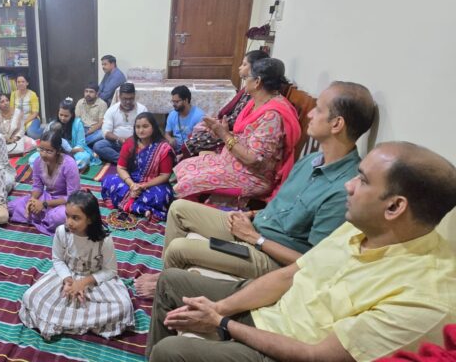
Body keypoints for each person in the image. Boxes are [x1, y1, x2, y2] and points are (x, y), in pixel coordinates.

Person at [146, 142, 456, 362]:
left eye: (362, 180)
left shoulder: (423, 297)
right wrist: (221, 308)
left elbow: (316, 356)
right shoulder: (363, 226)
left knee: (170, 352)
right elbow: (291, 275)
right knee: (172, 281)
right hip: (275, 308)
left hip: (288, 349)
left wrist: (222, 323)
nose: (348, 186)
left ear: (395, 206)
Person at [135, 81, 377, 297]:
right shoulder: (310, 161)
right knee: (178, 208)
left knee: (180, 248)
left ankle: (166, 285)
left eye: (319, 109)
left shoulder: (343, 189)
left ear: (336, 124)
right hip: (255, 227)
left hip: (269, 255)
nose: (311, 113)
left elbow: (312, 262)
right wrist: (249, 215)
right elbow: (280, 207)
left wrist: (255, 238)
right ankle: (168, 278)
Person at [173, 58, 301, 200]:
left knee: (187, 182)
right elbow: (248, 136)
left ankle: (190, 210)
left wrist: (224, 135)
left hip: (251, 176)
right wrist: (223, 132)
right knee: (183, 166)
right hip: (233, 162)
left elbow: (253, 159)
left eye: (246, 78)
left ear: (257, 81)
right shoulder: (256, 103)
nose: (244, 81)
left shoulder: (272, 116)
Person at [19, 190, 134, 340]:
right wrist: (68, 280)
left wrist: (83, 283)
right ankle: (88, 321)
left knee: (123, 306)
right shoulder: (62, 232)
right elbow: (58, 260)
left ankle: (66, 319)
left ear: (90, 219)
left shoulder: (104, 239)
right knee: (29, 297)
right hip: (67, 275)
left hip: (95, 280)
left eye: (76, 218)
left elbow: (110, 270)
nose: (69, 222)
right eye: (67, 216)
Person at [182, 50, 269, 158]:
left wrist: (219, 127)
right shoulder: (250, 91)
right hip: (232, 130)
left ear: (256, 75)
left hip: (236, 135)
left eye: (244, 64)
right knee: (198, 131)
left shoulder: (258, 99)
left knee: (191, 143)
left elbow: (254, 157)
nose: (240, 67)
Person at [102, 112, 175, 220]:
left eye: (145, 126)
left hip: (153, 184)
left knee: (163, 195)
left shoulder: (163, 148)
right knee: (108, 180)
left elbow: (165, 175)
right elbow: (121, 167)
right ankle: (142, 208)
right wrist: (132, 184)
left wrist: (144, 186)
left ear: (153, 127)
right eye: (138, 127)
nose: (141, 130)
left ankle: (133, 206)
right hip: (131, 181)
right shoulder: (130, 142)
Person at [9, 130, 81, 235]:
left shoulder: (69, 165)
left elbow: (72, 197)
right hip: (47, 197)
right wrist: (33, 200)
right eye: (41, 149)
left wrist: (44, 204)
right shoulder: (38, 161)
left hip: (65, 202)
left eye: (49, 151)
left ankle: (41, 218)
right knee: (12, 206)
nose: (43, 154)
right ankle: (43, 219)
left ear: (58, 151)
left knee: (59, 217)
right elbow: (37, 186)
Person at [27, 99, 101, 171]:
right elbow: (45, 141)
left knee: (83, 158)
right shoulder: (52, 124)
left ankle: (56, 167)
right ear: (58, 113)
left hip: (72, 153)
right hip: (53, 153)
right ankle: (65, 167)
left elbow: (80, 144)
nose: (62, 118)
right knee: (33, 159)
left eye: (66, 116)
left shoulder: (78, 124)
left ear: (72, 115)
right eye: (61, 115)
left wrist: (71, 151)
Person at [93, 82, 148, 163]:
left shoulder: (142, 109)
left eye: (131, 99)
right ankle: (125, 161)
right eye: (125, 99)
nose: (128, 102)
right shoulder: (112, 110)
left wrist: (131, 141)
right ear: (119, 97)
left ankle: (122, 159)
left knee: (150, 146)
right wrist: (118, 139)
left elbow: (146, 130)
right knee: (98, 146)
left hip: (136, 142)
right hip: (116, 143)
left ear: (134, 96)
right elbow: (106, 132)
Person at [165, 85, 205, 152]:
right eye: (173, 101)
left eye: (177, 102)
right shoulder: (172, 114)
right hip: (176, 150)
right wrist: (170, 139)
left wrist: (183, 154)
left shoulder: (199, 116)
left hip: (192, 150)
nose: (174, 104)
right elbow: (167, 134)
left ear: (186, 100)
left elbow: (201, 141)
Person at [10, 74, 43, 139]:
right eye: (18, 82)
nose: (20, 84)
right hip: (18, 119)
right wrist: (16, 121)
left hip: (31, 119)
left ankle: (46, 130)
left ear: (27, 83)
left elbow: (35, 113)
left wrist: (23, 123)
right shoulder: (13, 94)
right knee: (9, 133)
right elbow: (12, 110)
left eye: (23, 82)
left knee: (32, 133)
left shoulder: (32, 94)